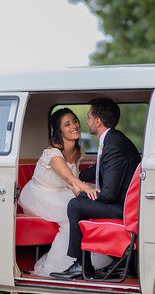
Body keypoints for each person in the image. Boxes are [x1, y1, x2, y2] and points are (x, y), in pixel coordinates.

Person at [50, 98, 141, 279]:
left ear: (97, 121)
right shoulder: (113, 139)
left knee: (75, 205)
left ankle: (81, 264)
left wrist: (82, 191)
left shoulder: (113, 145)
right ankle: (87, 263)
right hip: (120, 201)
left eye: (89, 117)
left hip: (122, 208)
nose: (87, 121)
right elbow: (100, 170)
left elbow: (109, 194)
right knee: (80, 201)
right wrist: (76, 176)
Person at [18, 108, 112, 276]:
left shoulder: (77, 151)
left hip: (61, 192)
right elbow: (70, 178)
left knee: (88, 210)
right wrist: (88, 189)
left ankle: (87, 262)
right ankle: (55, 269)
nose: (74, 126)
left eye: (75, 121)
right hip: (40, 194)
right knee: (70, 218)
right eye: (67, 124)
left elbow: (72, 183)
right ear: (59, 131)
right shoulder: (52, 153)